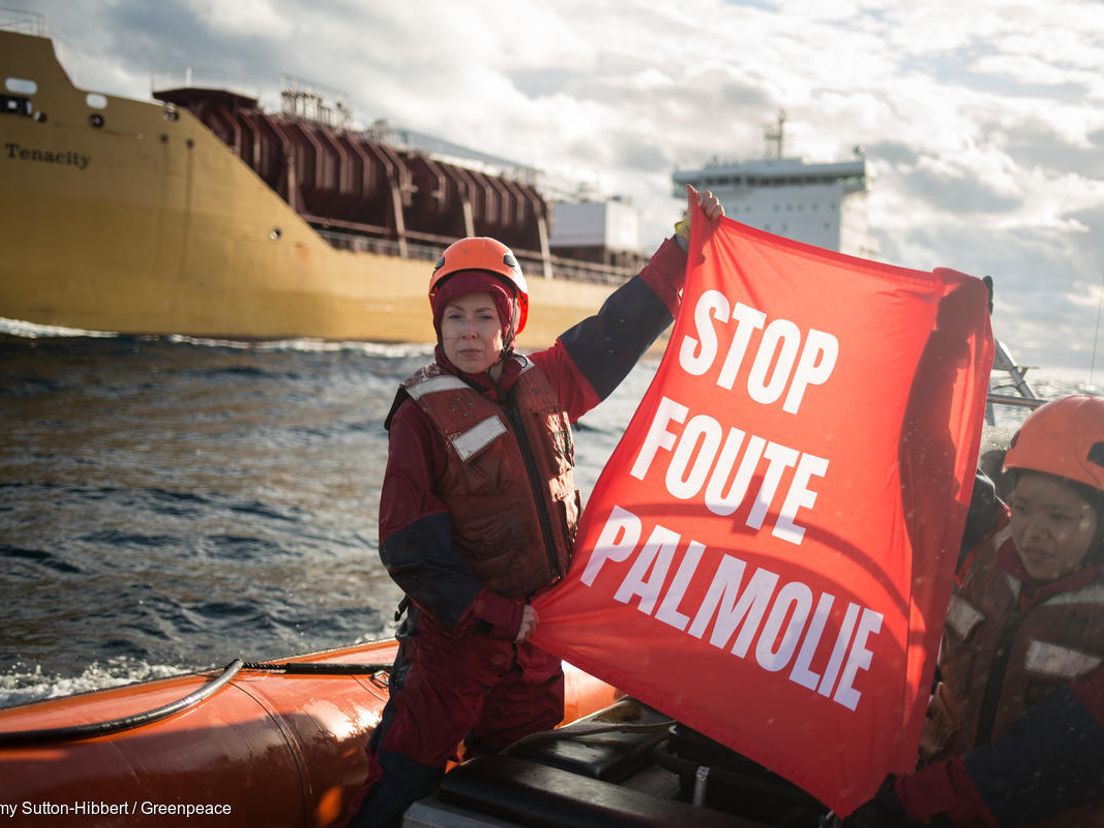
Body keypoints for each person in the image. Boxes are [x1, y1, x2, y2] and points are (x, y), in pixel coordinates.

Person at [345, 188, 726, 827]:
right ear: (438, 326)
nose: (469, 331)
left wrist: (683, 247)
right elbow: (409, 546)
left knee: (524, 787)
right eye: (455, 318)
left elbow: (619, 328)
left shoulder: (547, 381)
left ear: (508, 322)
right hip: (454, 652)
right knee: (402, 779)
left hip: (534, 648)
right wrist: (495, 614)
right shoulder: (418, 415)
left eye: (483, 317)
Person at [845, 395, 1104, 827]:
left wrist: (908, 805)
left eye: (1059, 517)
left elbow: (1041, 757)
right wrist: (940, 336)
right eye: (1022, 508)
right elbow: (922, 456)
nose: (1033, 531)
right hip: (941, 794)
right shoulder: (989, 545)